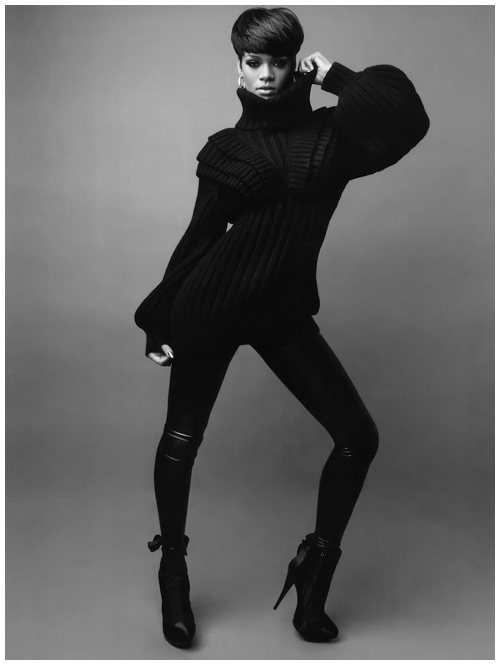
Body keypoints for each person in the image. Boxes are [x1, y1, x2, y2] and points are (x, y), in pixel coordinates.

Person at [135, 7, 429, 649]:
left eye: (279, 61)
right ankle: (173, 573)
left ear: (298, 63)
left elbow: (409, 117)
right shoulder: (227, 149)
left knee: (357, 437)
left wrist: (338, 76)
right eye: (253, 62)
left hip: (282, 312)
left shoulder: (332, 137)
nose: (266, 75)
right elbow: (198, 239)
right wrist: (156, 317)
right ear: (238, 68)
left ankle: (313, 572)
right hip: (210, 306)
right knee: (182, 441)